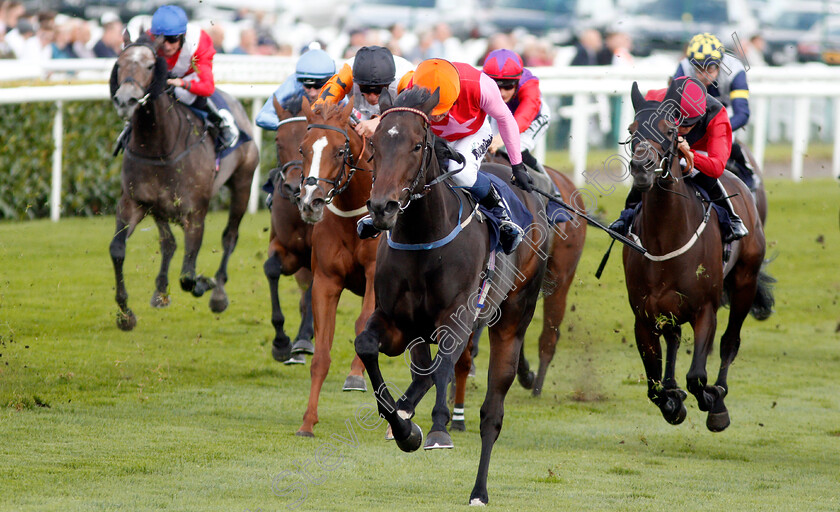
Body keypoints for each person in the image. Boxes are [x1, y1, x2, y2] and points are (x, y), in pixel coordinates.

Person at [359, 58, 534, 254]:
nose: (437, 116)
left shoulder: (481, 85)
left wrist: (517, 165)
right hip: (432, 136)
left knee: (460, 173)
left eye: (443, 109)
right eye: (433, 111)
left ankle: (500, 213)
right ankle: (381, 209)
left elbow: (505, 119)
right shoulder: (411, 89)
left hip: (472, 132)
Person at [609, 77, 749, 243]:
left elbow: (716, 168)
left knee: (701, 173)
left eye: (687, 125)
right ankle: (627, 215)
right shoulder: (655, 99)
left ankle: (731, 218)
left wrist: (689, 154)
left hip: (700, 149)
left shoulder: (718, 117)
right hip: (666, 141)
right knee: (647, 167)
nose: (682, 129)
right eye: (678, 121)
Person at [149, 4, 237, 149]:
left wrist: (182, 83)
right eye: (160, 39)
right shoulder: (148, 37)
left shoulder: (198, 42)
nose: (166, 46)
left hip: (188, 77)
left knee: (181, 92)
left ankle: (222, 122)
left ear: (183, 36)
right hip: (164, 75)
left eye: (172, 39)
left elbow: (208, 88)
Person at [675, 33, 753, 184]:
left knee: (729, 143)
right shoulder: (684, 67)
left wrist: (715, 131)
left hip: (725, 113)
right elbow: (673, 108)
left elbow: (742, 114)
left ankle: (747, 176)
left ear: (719, 63)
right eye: (698, 69)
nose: (704, 75)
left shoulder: (735, 70)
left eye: (709, 69)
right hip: (693, 116)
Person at [316, 45, 414, 138]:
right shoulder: (348, 72)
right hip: (362, 113)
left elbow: (413, 112)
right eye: (365, 89)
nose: (372, 97)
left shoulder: (405, 76)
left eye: (379, 90)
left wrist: (382, 120)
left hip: (398, 114)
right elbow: (321, 105)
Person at [482, 48, 550, 175]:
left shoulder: (529, 84)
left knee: (515, 149)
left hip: (533, 117)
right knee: (487, 148)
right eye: (496, 86)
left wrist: (504, 136)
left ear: (518, 80)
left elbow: (525, 115)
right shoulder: (479, 80)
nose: (501, 93)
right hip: (502, 114)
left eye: (508, 86)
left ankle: (551, 188)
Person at [255, 48, 335, 130]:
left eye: (318, 86)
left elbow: (347, 120)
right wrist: (293, 125)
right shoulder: (293, 83)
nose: (312, 93)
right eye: (307, 86)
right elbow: (261, 117)